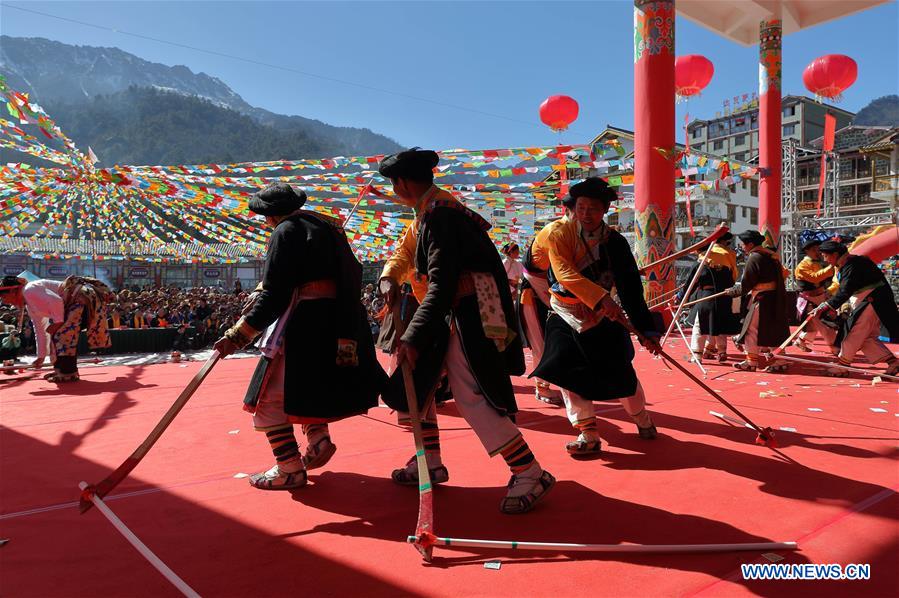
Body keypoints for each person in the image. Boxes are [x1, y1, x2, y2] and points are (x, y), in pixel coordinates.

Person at [378, 147, 554, 515]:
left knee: (472, 393)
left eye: (393, 185)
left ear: (402, 183)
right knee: (420, 387)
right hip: (450, 314)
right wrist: (388, 279)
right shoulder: (426, 214)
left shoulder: (441, 216)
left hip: (470, 314)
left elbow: (442, 284)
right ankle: (429, 462)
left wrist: (413, 335)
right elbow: (403, 254)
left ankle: (529, 471)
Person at [213, 183, 387, 490]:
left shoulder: (285, 232)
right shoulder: (331, 229)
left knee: (268, 397)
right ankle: (318, 438)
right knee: (305, 390)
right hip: (341, 324)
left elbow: (275, 294)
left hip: (305, 324)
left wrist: (238, 334)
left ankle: (290, 468)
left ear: (269, 215)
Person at [531, 178, 662, 457]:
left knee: (620, 372)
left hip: (604, 316)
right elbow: (565, 274)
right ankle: (587, 431)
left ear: (604, 210)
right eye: (580, 207)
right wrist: (600, 297)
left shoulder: (615, 242)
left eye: (593, 208)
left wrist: (646, 330)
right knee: (567, 372)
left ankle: (641, 418)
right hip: (565, 313)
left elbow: (629, 287)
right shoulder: (559, 234)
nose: (585, 214)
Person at [814, 241, 898, 377]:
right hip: (868, 300)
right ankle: (893, 362)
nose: (824, 259)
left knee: (853, 331)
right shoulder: (849, 263)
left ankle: (843, 365)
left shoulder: (853, 264)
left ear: (835, 254)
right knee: (866, 338)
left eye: (825, 256)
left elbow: (846, 290)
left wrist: (826, 305)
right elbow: (845, 289)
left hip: (871, 301)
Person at [519, 211, 570, 406]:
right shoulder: (555, 233)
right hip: (533, 296)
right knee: (542, 343)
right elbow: (565, 273)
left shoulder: (574, 233)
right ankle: (542, 387)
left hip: (551, 295)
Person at [725, 230, 790, 372]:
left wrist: (733, 291)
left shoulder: (755, 258)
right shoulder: (771, 257)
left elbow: (747, 283)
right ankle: (780, 360)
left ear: (750, 244)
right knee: (773, 329)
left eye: (743, 244)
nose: (742, 247)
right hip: (773, 298)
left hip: (762, 299)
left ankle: (751, 362)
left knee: (751, 329)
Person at [679, 232, 740, 363]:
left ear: (697, 249)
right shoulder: (726, 262)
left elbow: (690, 284)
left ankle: (697, 355)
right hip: (724, 296)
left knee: (700, 325)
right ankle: (722, 351)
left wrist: (680, 298)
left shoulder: (701, 263)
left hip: (707, 297)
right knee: (719, 324)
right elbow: (732, 279)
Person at [793, 239, 837, 353]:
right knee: (822, 323)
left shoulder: (821, 262)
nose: (817, 252)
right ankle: (834, 346)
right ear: (807, 251)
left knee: (814, 324)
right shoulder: (802, 266)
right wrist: (831, 267)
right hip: (809, 299)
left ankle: (801, 340)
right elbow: (815, 277)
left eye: (818, 249)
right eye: (814, 250)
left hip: (821, 296)